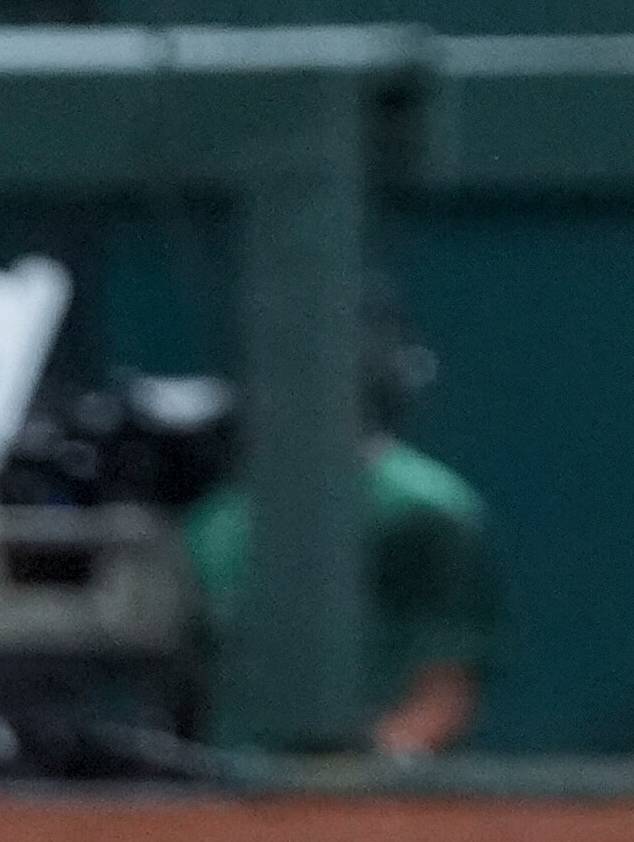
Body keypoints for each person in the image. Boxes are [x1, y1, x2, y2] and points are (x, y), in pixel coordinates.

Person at [182, 327, 503, 763]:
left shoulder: (424, 509)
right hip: (232, 794)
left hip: (389, 801)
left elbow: (446, 690)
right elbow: (189, 693)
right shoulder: (214, 524)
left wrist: (369, 765)